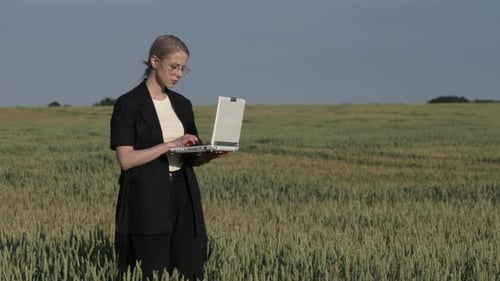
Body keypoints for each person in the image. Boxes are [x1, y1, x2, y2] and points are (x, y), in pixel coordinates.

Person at [110, 34, 226, 280]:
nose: (179, 74)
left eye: (183, 68)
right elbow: (126, 159)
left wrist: (210, 154)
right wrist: (168, 145)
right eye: (174, 66)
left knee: (192, 269)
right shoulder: (128, 104)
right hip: (147, 200)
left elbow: (188, 156)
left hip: (184, 196)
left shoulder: (183, 104)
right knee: (152, 272)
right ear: (154, 61)